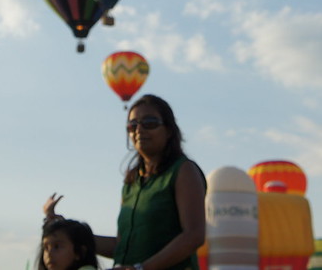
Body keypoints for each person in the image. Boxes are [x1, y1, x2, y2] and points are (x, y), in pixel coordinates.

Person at [45, 94, 207, 270]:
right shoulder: (131, 182)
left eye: (150, 123)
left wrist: (141, 268)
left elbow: (194, 235)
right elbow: (121, 246)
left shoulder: (184, 171)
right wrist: (70, 233)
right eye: (132, 125)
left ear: (169, 131)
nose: (139, 130)